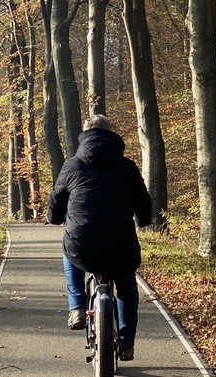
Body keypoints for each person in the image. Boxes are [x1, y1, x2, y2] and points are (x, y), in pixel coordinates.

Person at [47, 114, 152, 361]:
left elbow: (56, 198)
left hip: (82, 242)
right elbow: (143, 200)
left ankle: (77, 308)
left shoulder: (72, 165)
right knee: (126, 287)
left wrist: (54, 218)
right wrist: (144, 220)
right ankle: (127, 344)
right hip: (121, 245)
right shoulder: (127, 166)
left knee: (70, 255)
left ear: (85, 135)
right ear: (111, 134)